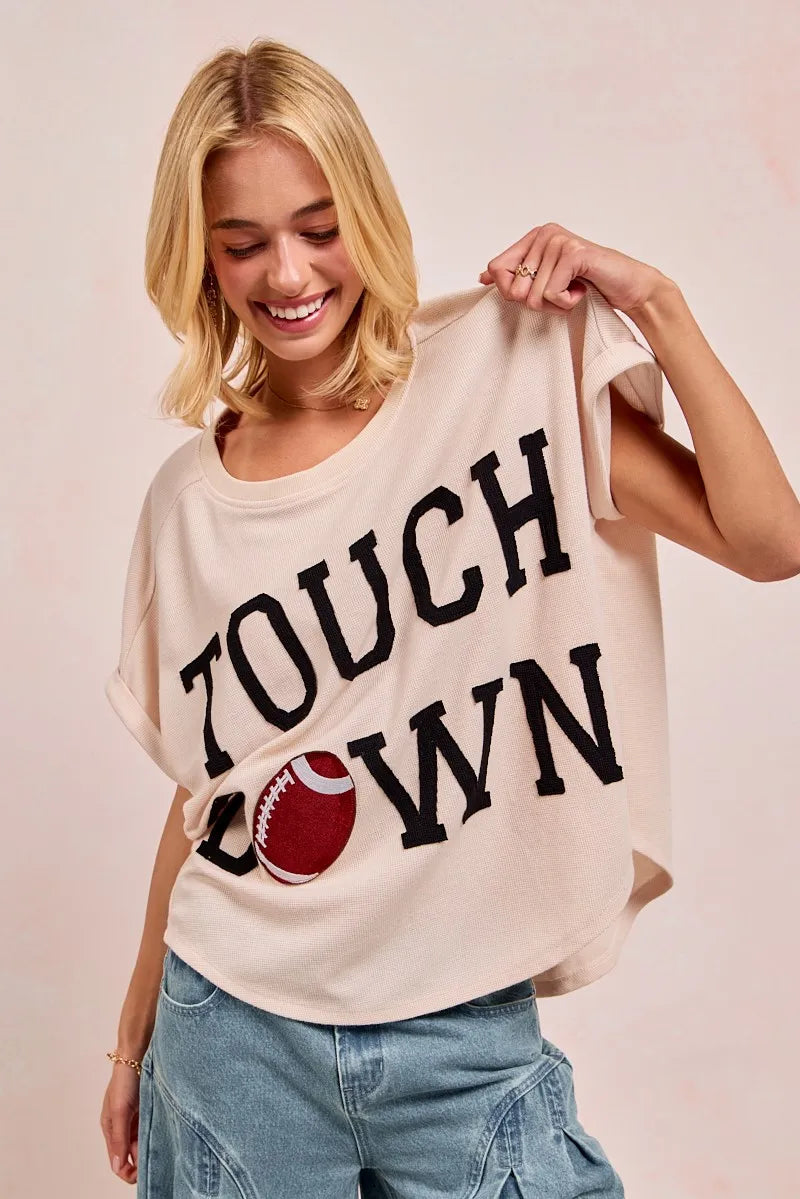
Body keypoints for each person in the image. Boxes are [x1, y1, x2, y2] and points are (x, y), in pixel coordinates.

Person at [98, 36, 800, 1199]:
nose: (286, 273)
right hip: (233, 1034)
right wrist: (133, 1041)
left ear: (366, 213)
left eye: (318, 227)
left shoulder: (506, 379)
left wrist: (658, 307)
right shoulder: (187, 501)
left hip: (461, 1031)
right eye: (243, 242)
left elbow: (770, 540)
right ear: (200, 261)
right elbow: (207, 793)